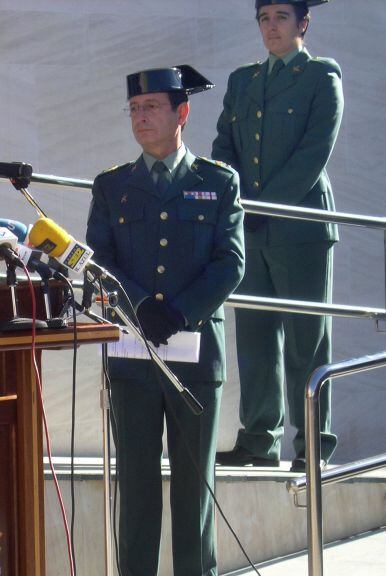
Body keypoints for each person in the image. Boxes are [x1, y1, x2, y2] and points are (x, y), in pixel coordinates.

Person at [86, 66, 245, 576]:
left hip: (195, 356)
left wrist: (179, 311)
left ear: (182, 113)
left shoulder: (217, 181)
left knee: (194, 489)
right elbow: (98, 261)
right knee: (135, 487)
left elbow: (230, 261)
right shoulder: (113, 186)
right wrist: (139, 307)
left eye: (151, 106)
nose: (140, 117)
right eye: (134, 108)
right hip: (133, 358)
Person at [212, 0, 343, 473]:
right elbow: (225, 145)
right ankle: (257, 441)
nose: (272, 27)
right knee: (255, 337)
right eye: (265, 18)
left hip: (300, 227)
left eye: (282, 18)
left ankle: (313, 447)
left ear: (303, 23)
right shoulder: (243, 80)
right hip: (250, 226)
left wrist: (264, 206)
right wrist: (232, 199)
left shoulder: (321, 76)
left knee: (307, 341)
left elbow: (314, 153)